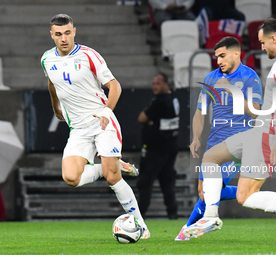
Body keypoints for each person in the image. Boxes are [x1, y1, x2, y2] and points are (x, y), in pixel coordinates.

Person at [183, 18, 276, 242]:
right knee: (211, 157)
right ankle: (211, 216)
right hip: (263, 129)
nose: (262, 48)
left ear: (274, 38)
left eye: (263, 42)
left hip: (271, 133)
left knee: (246, 196)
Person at [41, 14, 150, 238]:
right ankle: (114, 165)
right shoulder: (46, 60)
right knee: (71, 177)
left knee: (112, 178)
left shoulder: (89, 55)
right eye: (59, 34)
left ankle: (141, 225)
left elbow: (115, 86)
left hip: (102, 122)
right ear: (52, 35)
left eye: (68, 32)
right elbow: (52, 83)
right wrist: (56, 108)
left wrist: (107, 111)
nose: (64, 38)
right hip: (79, 129)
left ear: (74, 31)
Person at [175, 36, 263, 241]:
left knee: (208, 193)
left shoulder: (250, 77)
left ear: (236, 54)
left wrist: (232, 91)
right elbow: (200, 112)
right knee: (203, 192)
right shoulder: (211, 78)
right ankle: (249, 189)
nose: (219, 61)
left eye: (222, 56)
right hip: (214, 142)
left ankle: (186, 232)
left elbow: (255, 112)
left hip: (237, 142)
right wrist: (196, 137)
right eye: (216, 57)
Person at [137, 74, 180, 219]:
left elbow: (142, 118)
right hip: (170, 147)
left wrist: (150, 123)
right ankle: (172, 213)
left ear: (166, 84)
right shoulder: (174, 100)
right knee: (167, 182)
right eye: (153, 83)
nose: (155, 86)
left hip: (155, 150)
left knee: (145, 181)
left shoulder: (160, 102)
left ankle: (139, 214)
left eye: (158, 83)